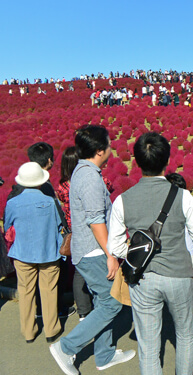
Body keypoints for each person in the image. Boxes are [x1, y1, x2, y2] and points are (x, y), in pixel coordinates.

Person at [108, 133, 193, 375]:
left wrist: (136, 253)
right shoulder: (182, 195)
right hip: (178, 275)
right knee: (185, 334)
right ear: (167, 161)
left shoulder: (122, 200)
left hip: (142, 279)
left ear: (137, 162)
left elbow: (114, 247)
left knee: (149, 344)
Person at [50, 125, 135, 375]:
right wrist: (111, 255)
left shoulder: (85, 171)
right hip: (94, 252)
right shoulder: (88, 177)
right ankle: (66, 348)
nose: (111, 147)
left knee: (103, 300)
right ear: (100, 150)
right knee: (111, 303)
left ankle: (105, 354)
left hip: (91, 250)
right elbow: (95, 220)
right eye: (109, 144)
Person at [5, 162, 63, 343]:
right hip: (49, 252)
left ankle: (29, 332)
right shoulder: (50, 201)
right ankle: (51, 330)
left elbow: (8, 226)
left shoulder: (13, 203)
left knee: (25, 292)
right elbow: (59, 226)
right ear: (40, 182)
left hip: (23, 253)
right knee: (49, 290)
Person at [57, 147, 93, 321]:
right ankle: (97, 307)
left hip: (73, 230)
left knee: (79, 268)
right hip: (91, 228)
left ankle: (84, 311)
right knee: (96, 265)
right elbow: (110, 186)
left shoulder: (62, 187)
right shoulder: (87, 181)